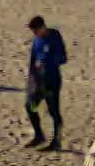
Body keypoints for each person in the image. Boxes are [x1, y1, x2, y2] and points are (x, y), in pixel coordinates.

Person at [24, 15, 67, 150]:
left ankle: (56, 141)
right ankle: (39, 135)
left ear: (43, 27)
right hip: (38, 81)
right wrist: (31, 78)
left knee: (53, 111)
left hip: (52, 81)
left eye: (36, 31)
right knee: (30, 106)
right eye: (34, 32)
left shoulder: (54, 37)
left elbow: (63, 58)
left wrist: (48, 61)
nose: (35, 34)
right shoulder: (37, 40)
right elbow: (33, 58)